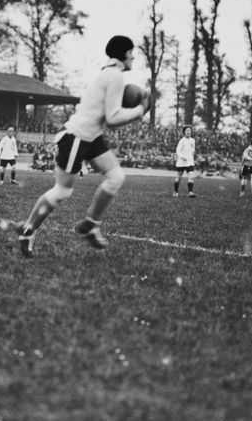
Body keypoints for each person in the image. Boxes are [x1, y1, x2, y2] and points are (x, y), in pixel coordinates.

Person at [9, 35, 149, 257]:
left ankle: (90, 225)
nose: (133, 56)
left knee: (116, 177)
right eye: (131, 52)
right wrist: (140, 110)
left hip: (91, 136)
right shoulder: (114, 76)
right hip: (76, 137)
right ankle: (28, 231)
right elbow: (113, 119)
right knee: (63, 190)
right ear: (123, 53)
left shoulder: (110, 73)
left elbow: (108, 118)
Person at [173, 125, 196, 198]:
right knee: (178, 177)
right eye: (186, 130)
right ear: (184, 132)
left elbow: (192, 150)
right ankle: (175, 192)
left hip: (190, 162)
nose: (188, 132)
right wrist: (182, 157)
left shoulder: (193, 140)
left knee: (191, 176)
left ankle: (190, 192)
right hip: (182, 162)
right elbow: (178, 150)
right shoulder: (182, 141)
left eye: (189, 130)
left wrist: (192, 154)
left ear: (191, 132)